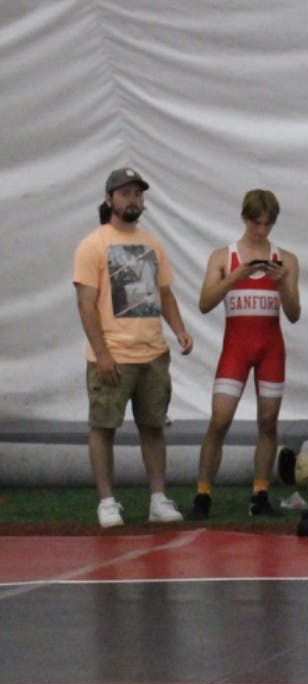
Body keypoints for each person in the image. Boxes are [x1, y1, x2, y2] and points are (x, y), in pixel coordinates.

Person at [73, 167, 194, 528]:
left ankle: (158, 498)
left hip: (153, 354)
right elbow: (86, 304)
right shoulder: (93, 244)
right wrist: (103, 353)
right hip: (112, 355)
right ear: (109, 199)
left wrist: (180, 330)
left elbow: (166, 293)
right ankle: (107, 502)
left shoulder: (152, 244)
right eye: (125, 193)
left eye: (137, 194)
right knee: (103, 427)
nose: (133, 200)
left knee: (153, 426)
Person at [188, 189, 301, 520]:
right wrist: (234, 277)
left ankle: (260, 493)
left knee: (268, 422)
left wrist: (282, 284)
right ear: (244, 219)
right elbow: (205, 303)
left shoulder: (287, 260)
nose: (262, 231)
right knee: (219, 421)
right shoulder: (224, 257)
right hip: (236, 348)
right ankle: (202, 494)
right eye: (256, 223)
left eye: (268, 224)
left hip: (270, 349)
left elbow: (294, 314)